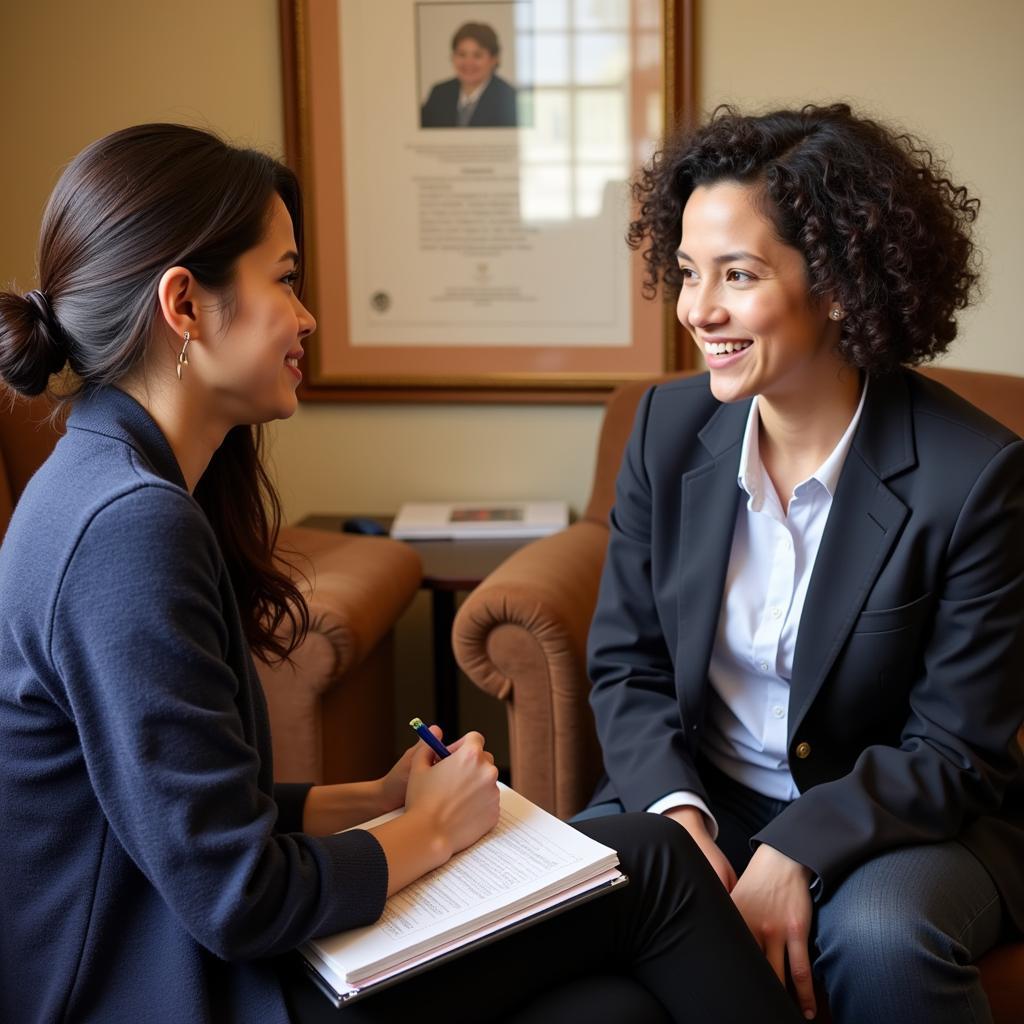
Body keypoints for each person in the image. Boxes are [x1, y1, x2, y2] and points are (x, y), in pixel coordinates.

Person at [0, 123, 805, 1024]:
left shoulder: (107, 480)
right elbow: (235, 895)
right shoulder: (126, 530)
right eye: (286, 278)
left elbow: (184, 810)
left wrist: (373, 801)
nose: (305, 317)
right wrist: (426, 832)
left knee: (614, 1008)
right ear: (184, 305)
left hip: (192, 960)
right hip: (178, 990)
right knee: (655, 861)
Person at [581, 103, 1024, 1023]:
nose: (699, 310)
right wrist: (678, 819)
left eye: (738, 276)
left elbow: (956, 749)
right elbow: (628, 666)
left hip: (902, 824)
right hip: (705, 795)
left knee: (880, 937)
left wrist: (794, 850)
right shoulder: (665, 432)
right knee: (554, 910)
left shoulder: (975, 475)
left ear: (836, 284)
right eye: (690, 272)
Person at [420, 22, 517, 128]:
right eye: (462, 54)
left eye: (477, 55)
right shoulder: (439, 94)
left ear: (494, 59)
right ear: (453, 57)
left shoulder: (509, 99)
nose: (468, 63)